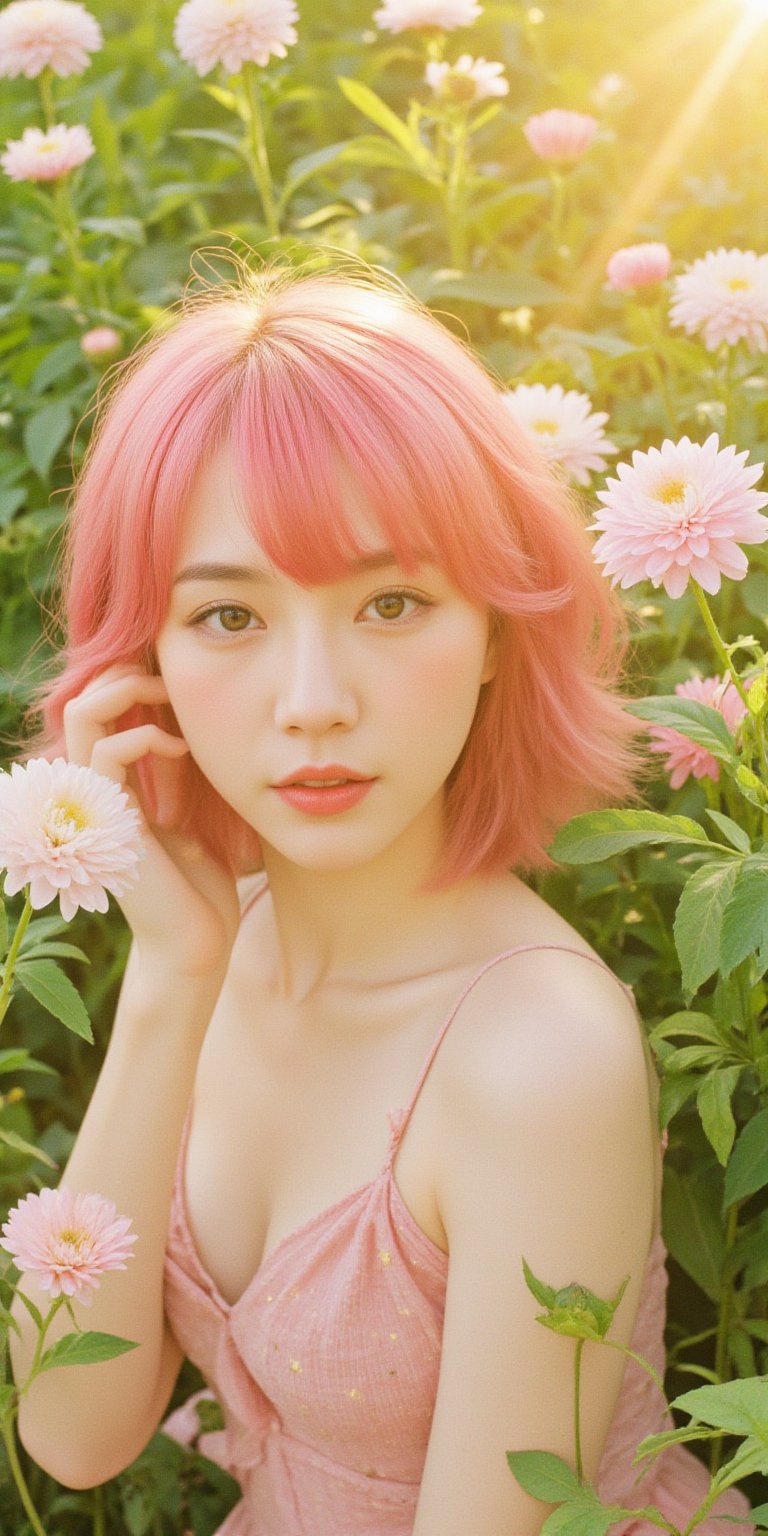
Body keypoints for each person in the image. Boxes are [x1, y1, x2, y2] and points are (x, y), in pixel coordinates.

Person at [8, 254, 753, 1536]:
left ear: (496, 634)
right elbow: (71, 1433)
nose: (313, 702)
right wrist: (168, 976)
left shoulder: (535, 1060)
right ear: (144, 667)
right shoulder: (218, 946)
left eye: (391, 603)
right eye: (230, 618)